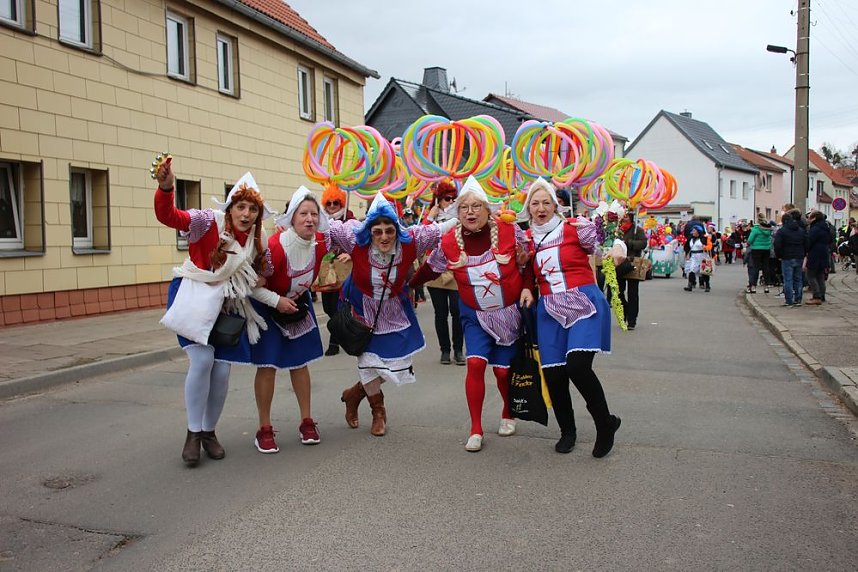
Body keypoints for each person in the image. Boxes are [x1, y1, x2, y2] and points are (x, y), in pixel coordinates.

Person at [154, 159, 279, 466]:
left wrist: (264, 276)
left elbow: (266, 270)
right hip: (193, 298)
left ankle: (209, 432)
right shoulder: (206, 222)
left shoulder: (254, 242)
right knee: (202, 359)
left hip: (224, 308)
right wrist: (167, 188)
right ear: (230, 208)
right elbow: (169, 216)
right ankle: (193, 433)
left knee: (222, 370)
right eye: (241, 208)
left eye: (252, 210)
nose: (246, 215)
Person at [412, 176, 529, 452]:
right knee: (475, 364)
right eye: (464, 207)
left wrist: (527, 288)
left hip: (508, 315)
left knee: (502, 373)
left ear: (488, 210)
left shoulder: (509, 230)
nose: (470, 212)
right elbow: (431, 268)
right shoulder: (450, 242)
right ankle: (475, 428)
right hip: (475, 316)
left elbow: (530, 260)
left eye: (477, 206)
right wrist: (406, 285)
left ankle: (507, 412)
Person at [334, 193, 457, 436]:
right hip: (363, 311)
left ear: (396, 229)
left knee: (398, 364)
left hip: (394, 311)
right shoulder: (355, 240)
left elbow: (443, 227)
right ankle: (378, 412)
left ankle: (354, 394)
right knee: (368, 364)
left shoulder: (411, 240)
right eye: (377, 231)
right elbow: (326, 228)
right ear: (369, 231)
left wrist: (467, 211)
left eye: (389, 230)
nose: (384, 236)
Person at [519, 178, 621, 457]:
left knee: (577, 367)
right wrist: (528, 286)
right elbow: (527, 270)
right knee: (554, 374)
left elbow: (606, 242)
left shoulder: (575, 228)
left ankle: (605, 424)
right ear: (528, 208)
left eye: (546, 202)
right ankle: (568, 431)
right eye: (535, 203)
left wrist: (617, 249)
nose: (541, 208)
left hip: (582, 302)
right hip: (549, 309)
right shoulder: (526, 238)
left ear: (556, 205)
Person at [247, 188, 331, 454]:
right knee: (268, 365)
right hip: (268, 305)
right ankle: (264, 428)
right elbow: (251, 286)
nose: (309, 219)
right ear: (292, 218)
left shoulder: (320, 242)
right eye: (303, 214)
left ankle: (307, 421)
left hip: (296, 304)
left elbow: (352, 235)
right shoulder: (275, 247)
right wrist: (276, 301)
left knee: (300, 363)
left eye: (314, 214)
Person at [423, 180, 465, 365]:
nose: (450, 202)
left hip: (456, 268)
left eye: (453, 199)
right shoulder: (431, 218)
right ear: (438, 200)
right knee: (441, 313)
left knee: (457, 311)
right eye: (447, 199)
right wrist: (430, 217)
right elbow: (422, 236)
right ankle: (445, 350)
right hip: (436, 270)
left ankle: (458, 350)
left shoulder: (461, 217)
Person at [318, 183, 355, 356]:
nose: (332, 206)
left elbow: (359, 242)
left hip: (343, 268)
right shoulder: (320, 221)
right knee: (327, 307)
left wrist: (351, 254)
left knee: (338, 305)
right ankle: (342, 332)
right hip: (326, 268)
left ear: (342, 203)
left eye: (336, 203)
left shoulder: (350, 219)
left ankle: (334, 342)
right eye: (329, 203)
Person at [616, 212, 647, 330]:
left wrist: (629, 243)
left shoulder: (637, 230)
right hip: (620, 263)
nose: (624, 218)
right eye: (623, 216)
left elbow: (643, 243)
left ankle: (632, 320)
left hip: (633, 262)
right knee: (618, 291)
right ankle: (625, 310)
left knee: (633, 293)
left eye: (626, 216)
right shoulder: (617, 229)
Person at [773, 210, 806, 306]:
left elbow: (777, 245)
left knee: (788, 279)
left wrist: (779, 255)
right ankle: (798, 299)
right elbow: (806, 243)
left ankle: (789, 300)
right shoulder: (800, 230)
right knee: (798, 279)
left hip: (787, 257)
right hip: (799, 256)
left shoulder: (782, 231)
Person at [805, 211, 830, 305]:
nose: (808, 219)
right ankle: (822, 296)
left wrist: (806, 250)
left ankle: (816, 296)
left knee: (810, 275)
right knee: (820, 276)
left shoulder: (815, 228)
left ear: (814, 218)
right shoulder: (825, 227)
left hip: (815, 254)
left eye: (809, 217)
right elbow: (830, 239)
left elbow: (809, 241)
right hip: (824, 253)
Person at [746, 213, 773, 294]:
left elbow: (750, 240)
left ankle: (753, 286)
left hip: (756, 249)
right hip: (766, 249)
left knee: (756, 268)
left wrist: (749, 243)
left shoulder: (755, 229)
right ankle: (766, 286)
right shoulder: (768, 229)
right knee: (766, 267)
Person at [683, 227, 708, 292]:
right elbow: (687, 247)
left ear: (698, 232)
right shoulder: (691, 239)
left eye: (694, 231)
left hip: (702, 255)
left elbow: (709, 247)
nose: (693, 232)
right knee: (691, 269)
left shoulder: (703, 238)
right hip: (693, 256)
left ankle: (707, 285)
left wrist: (705, 247)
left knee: (704, 271)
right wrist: (687, 254)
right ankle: (690, 285)